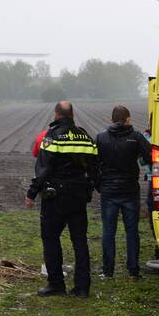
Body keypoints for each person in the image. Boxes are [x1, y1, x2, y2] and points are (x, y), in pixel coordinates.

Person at [25, 101, 98, 297]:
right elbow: (94, 166)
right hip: (79, 197)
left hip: (55, 197)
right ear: (72, 115)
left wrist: (31, 193)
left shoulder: (52, 136)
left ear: (57, 114)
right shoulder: (85, 136)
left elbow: (43, 168)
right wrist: (94, 186)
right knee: (80, 241)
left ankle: (56, 284)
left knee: (50, 239)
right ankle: (82, 287)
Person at [94, 105, 151, 279]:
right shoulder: (136, 137)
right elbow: (150, 157)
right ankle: (133, 271)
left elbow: (94, 165)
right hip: (129, 190)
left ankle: (107, 270)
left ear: (112, 119)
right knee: (132, 231)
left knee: (108, 231)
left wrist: (99, 184)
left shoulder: (101, 138)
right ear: (127, 119)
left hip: (108, 191)